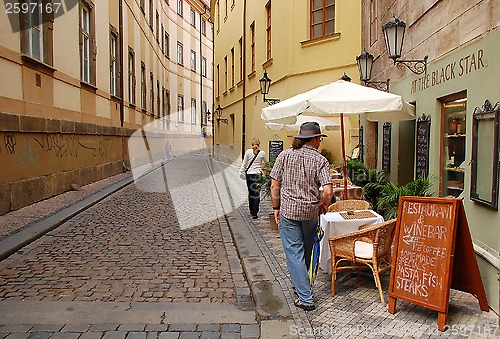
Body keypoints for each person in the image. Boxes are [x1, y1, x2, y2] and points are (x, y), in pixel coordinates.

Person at [269, 122, 333, 311]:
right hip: (310, 213)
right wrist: (324, 204)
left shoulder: (284, 155)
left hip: (289, 212)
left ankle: (306, 298)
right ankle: (300, 285)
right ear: (313, 139)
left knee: (294, 253)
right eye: (319, 138)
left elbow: (274, 185)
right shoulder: (320, 160)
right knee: (304, 251)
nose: (320, 141)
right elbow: (328, 191)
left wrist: (276, 207)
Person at [239, 138, 268, 219]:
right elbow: (267, 163)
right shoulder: (262, 153)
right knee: (256, 193)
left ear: (251, 145)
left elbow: (244, 163)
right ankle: (255, 212)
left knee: (251, 192)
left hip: (249, 175)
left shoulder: (248, 152)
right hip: (257, 175)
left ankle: (251, 210)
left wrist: (241, 172)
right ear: (259, 144)